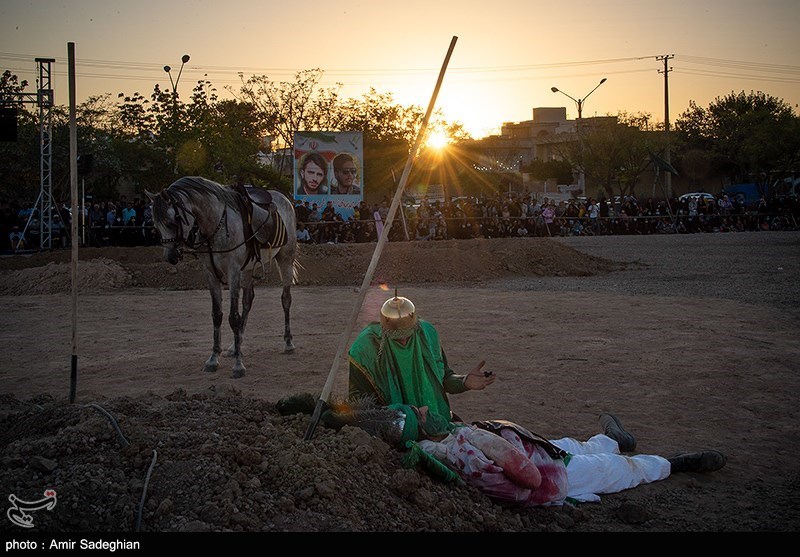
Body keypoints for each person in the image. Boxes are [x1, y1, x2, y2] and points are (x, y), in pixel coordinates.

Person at [347, 294, 727, 507]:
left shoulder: (427, 334)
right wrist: (410, 417)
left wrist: (467, 383)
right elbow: (362, 414)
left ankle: (610, 442)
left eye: (409, 335)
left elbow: (442, 377)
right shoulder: (365, 353)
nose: (405, 342)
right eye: (397, 339)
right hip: (438, 440)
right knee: (571, 471)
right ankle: (665, 464)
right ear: (382, 331)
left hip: (456, 428)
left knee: (539, 446)